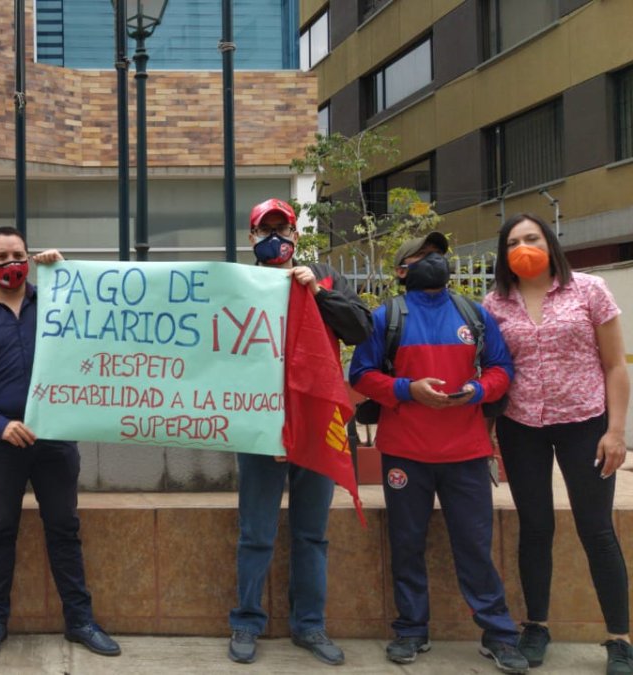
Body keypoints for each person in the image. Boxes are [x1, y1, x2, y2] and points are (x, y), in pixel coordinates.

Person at [349, 231, 529, 674]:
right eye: (423, 256)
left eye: (438, 255)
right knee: (406, 544)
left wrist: (478, 391)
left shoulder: (474, 314)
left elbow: (502, 368)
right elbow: (361, 373)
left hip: (465, 453)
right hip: (404, 453)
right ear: (402, 270)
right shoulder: (386, 317)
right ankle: (411, 630)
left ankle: (499, 634)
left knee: (475, 545)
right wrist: (406, 389)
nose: (434, 261)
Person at [0, 226, 120, 659]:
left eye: (18, 255)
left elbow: (97, 324)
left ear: (29, 258)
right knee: (0, 530)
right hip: (1, 445)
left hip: (55, 441)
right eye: (2, 257)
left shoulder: (56, 303)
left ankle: (80, 621)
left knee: (64, 528)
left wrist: (65, 273)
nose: (11, 264)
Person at [483, 214, 631, 674]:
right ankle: (537, 626)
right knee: (535, 526)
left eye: (532, 238)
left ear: (550, 242)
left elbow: (615, 365)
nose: (523, 247)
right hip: (520, 425)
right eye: (513, 242)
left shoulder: (588, 290)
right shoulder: (494, 303)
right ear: (503, 254)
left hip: (585, 423)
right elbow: (492, 368)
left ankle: (620, 639)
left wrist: (616, 432)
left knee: (596, 528)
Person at [227, 199, 371, 666]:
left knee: (312, 533)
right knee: (256, 532)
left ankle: (309, 625)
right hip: (260, 426)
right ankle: (247, 622)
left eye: (282, 228)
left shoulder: (324, 277)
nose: (275, 237)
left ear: (296, 234)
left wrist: (319, 294)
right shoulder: (239, 282)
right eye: (265, 229)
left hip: (317, 423)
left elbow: (361, 328)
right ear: (251, 237)